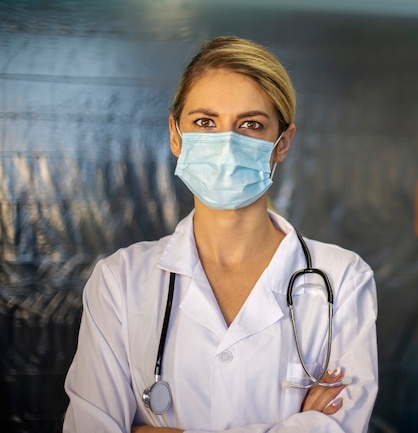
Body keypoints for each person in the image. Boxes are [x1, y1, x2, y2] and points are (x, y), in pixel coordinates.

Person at [63, 36, 378, 433]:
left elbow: (342, 429)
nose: (226, 143)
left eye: (251, 125)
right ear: (176, 135)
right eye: (205, 122)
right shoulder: (120, 280)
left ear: (282, 144)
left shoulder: (342, 279)